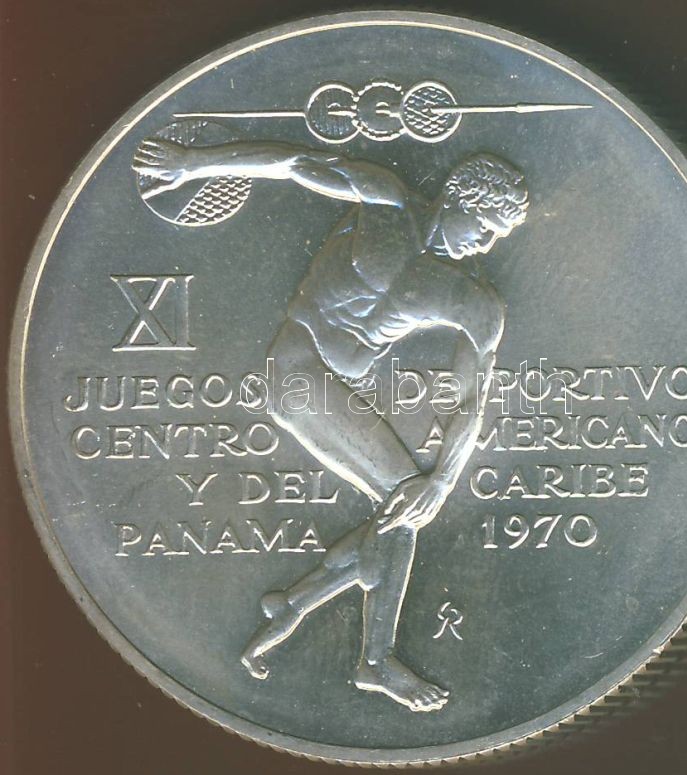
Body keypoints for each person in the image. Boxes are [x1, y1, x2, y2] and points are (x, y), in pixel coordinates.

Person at [133, 137, 529, 712]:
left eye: (497, 236)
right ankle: (369, 657)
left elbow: (473, 396)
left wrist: (444, 480)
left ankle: (297, 605)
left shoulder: (474, 300)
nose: (485, 243)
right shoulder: (388, 203)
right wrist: (194, 163)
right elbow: (296, 163)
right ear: (455, 196)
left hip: (335, 384)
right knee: (402, 496)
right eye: (484, 224)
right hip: (298, 368)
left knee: (404, 505)